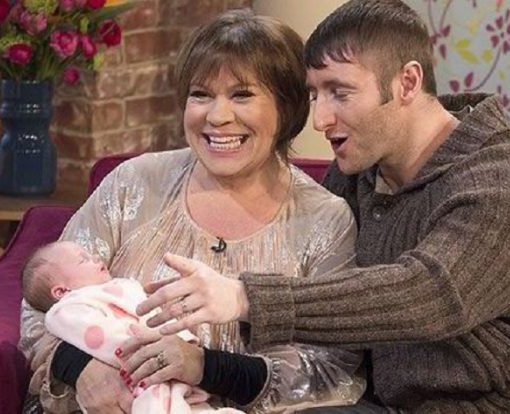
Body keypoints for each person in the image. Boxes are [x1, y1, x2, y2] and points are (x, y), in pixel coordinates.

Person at [132, 1, 510, 413]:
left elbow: (433, 294)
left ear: (407, 83)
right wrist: (202, 368)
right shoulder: (354, 173)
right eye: (314, 95)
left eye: (340, 92)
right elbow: (318, 293)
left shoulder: (501, 174)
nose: (320, 119)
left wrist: (245, 297)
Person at [19, 9, 366, 414]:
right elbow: (40, 303)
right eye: (200, 94)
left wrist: (206, 368)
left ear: (287, 107)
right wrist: (81, 368)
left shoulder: (326, 220)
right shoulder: (134, 182)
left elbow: (331, 368)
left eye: (242, 95)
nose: (216, 116)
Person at [22, 241, 241, 414]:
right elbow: (102, 338)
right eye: (83, 260)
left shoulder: (119, 287)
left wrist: (184, 342)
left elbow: (153, 317)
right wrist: (79, 366)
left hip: (179, 369)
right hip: (136, 377)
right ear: (61, 291)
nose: (96, 257)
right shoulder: (67, 309)